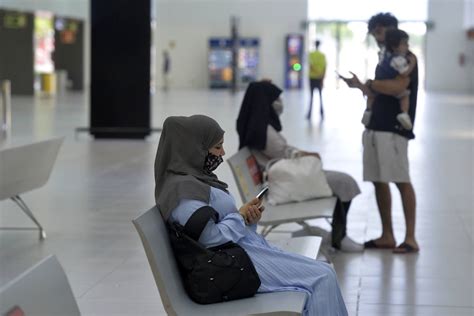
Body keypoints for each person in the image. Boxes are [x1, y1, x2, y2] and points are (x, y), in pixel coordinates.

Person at [154, 115, 348, 316]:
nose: (222, 153)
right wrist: (239, 217)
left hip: (241, 252)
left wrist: (247, 219)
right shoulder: (183, 192)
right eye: (217, 147)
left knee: (322, 274)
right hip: (234, 264)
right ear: (195, 149)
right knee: (322, 277)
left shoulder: (194, 180)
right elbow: (209, 239)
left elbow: (218, 226)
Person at [236, 80, 363, 252]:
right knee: (345, 182)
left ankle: (338, 234)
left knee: (340, 182)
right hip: (286, 180)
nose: (279, 103)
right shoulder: (264, 131)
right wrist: (306, 154)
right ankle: (339, 236)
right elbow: (283, 152)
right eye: (275, 99)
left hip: (282, 176)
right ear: (265, 101)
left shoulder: (252, 124)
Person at [342, 12, 420, 253]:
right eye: (374, 32)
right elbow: (378, 92)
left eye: (380, 31)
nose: (377, 37)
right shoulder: (384, 58)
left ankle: (410, 239)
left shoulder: (405, 57)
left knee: (401, 181)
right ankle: (387, 235)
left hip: (394, 129)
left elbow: (398, 86)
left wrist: (373, 84)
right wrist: (360, 86)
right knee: (378, 181)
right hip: (375, 127)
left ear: (390, 31)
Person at [362, 29, 416, 130]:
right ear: (395, 46)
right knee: (405, 95)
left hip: (377, 83)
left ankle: (368, 110)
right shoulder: (399, 59)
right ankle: (404, 113)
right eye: (404, 44)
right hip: (390, 86)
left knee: (371, 96)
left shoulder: (384, 55)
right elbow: (404, 73)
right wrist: (412, 63)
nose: (407, 46)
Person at [307, 40, 327, 119]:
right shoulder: (322, 55)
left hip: (312, 77)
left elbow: (311, 66)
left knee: (311, 96)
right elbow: (325, 67)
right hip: (320, 78)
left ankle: (309, 113)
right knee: (320, 95)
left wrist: (316, 73)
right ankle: (322, 112)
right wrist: (321, 76)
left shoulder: (311, 54)